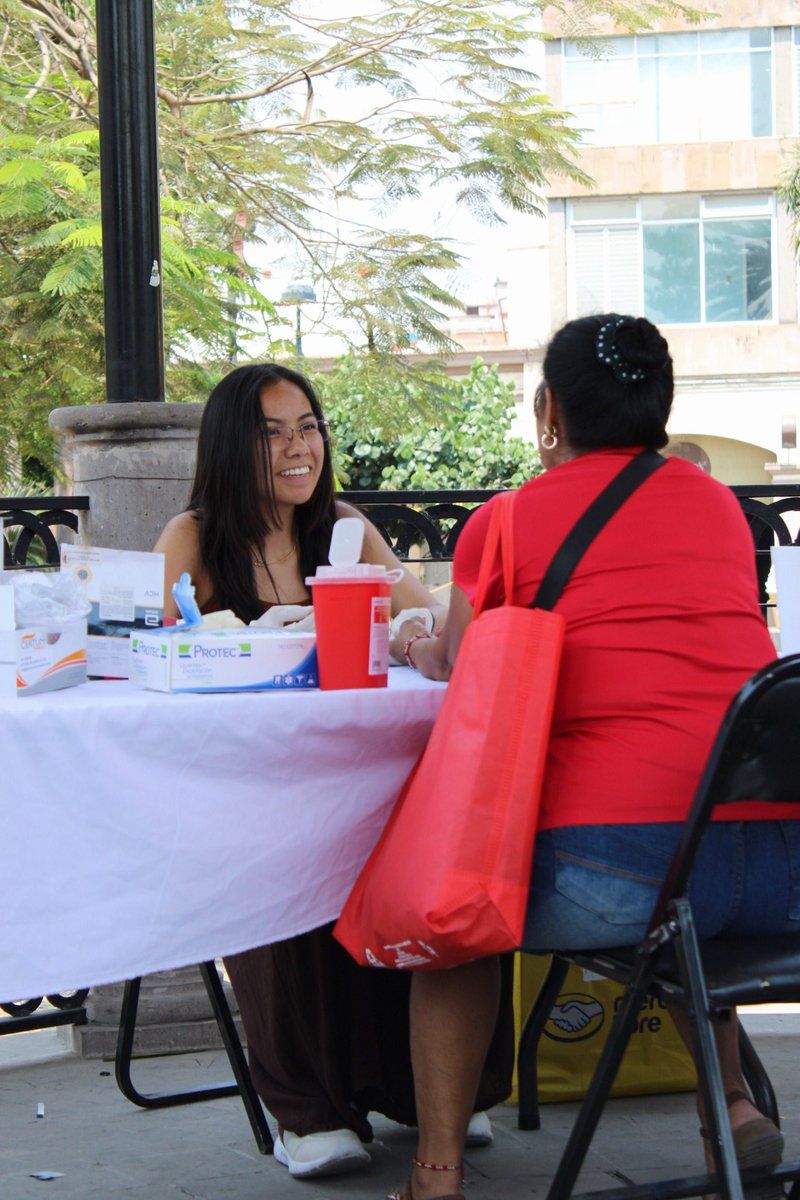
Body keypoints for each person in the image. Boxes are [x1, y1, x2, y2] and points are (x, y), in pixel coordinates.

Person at [393, 314, 800, 1200]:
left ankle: (435, 1177)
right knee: (690, 891)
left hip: (617, 873)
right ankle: (728, 1109)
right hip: (779, 869)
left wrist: (419, 644)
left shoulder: (506, 524)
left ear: (549, 411)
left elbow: (464, 667)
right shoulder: (724, 512)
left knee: (454, 921)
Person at [153, 362, 515, 1181]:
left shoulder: (345, 527)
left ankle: (432, 1092)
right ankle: (308, 1109)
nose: (297, 447)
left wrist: (400, 620)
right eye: (272, 431)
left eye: (308, 426)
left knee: (428, 861)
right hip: (249, 792)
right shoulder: (193, 537)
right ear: (228, 446)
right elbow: (148, 649)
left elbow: (424, 614)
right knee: (274, 871)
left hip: (362, 782)